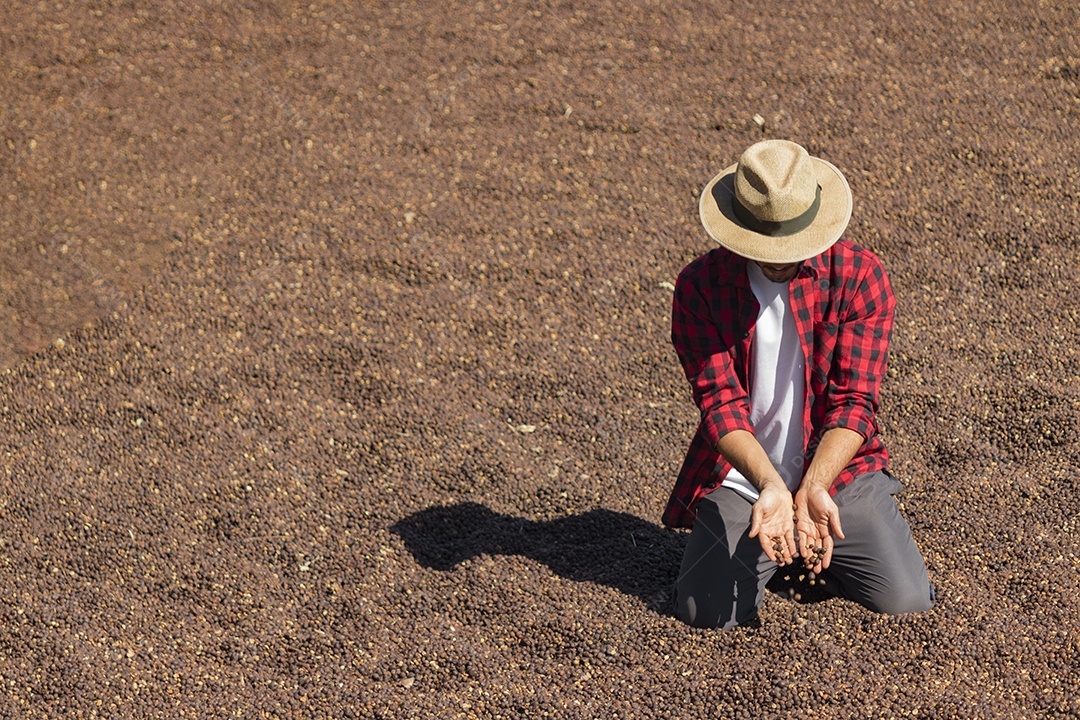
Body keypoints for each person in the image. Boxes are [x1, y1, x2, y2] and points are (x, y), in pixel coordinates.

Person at [664, 139, 933, 629]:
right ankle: (774, 551)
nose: (776, 257)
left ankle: (795, 560)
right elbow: (720, 406)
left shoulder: (859, 277)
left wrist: (812, 485)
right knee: (704, 615)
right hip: (744, 481)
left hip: (836, 476)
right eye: (764, 242)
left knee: (906, 601)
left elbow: (854, 403)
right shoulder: (699, 287)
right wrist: (770, 484)